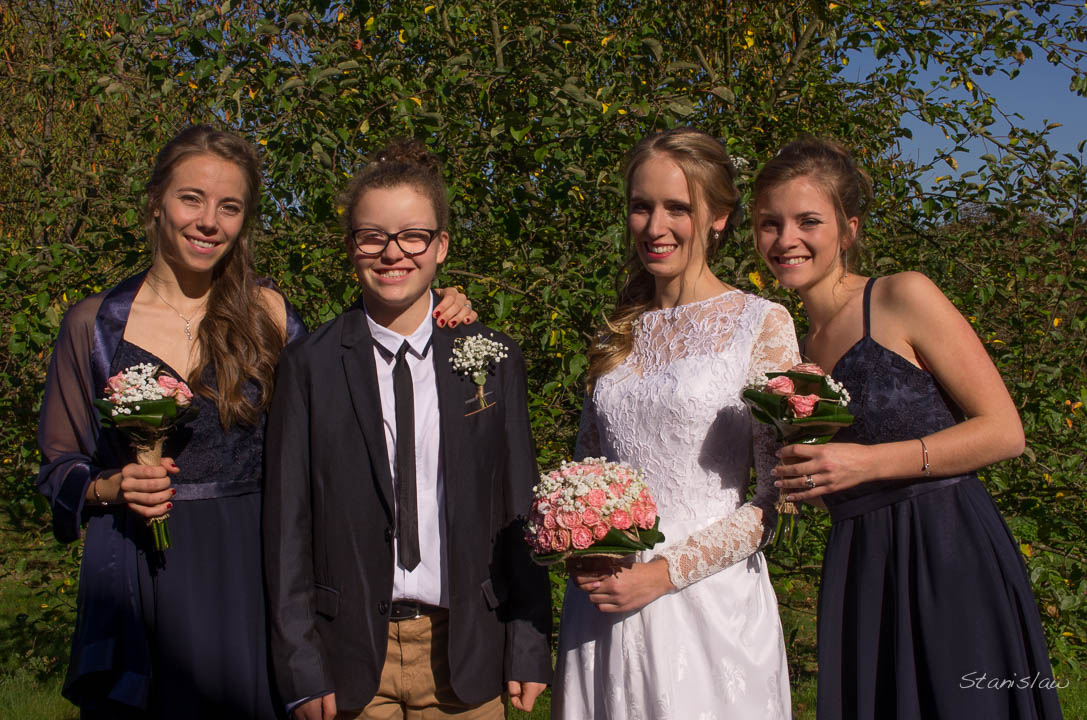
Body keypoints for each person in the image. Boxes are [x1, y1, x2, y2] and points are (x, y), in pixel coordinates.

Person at [35, 125, 475, 719]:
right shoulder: (95, 324)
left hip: (247, 562)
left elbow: (344, 368)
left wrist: (429, 308)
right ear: (156, 202)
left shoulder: (266, 313)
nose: (208, 221)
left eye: (230, 206)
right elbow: (59, 464)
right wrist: (109, 486)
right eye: (191, 198)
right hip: (138, 570)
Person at [754, 137, 1062, 719]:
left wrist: (866, 463)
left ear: (848, 229)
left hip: (946, 547)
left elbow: (1004, 431)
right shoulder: (794, 347)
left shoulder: (901, 295)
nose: (785, 239)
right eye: (770, 223)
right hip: (861, 561)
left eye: (808, 220)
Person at [263, 139, 552, 720]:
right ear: (352, 247)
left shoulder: (492, 358)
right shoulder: (309, 366)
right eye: (373, 236)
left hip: (467, 648)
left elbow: (519, 504)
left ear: (440, 245)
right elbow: (286, 526)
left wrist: (528, 642)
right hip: (347, 658)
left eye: (412, 236)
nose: (393, 253)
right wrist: (299, 661)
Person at [554, 127, 796, 718]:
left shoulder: (761, 325)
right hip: (604, 603)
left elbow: (775, 499)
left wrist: (662, 573)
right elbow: (587, 470)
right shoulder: (618, 333)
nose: (655, 226)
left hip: (706, 603)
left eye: (677, 208)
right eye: (641, 207)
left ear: (718, 217)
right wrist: (579, 547)